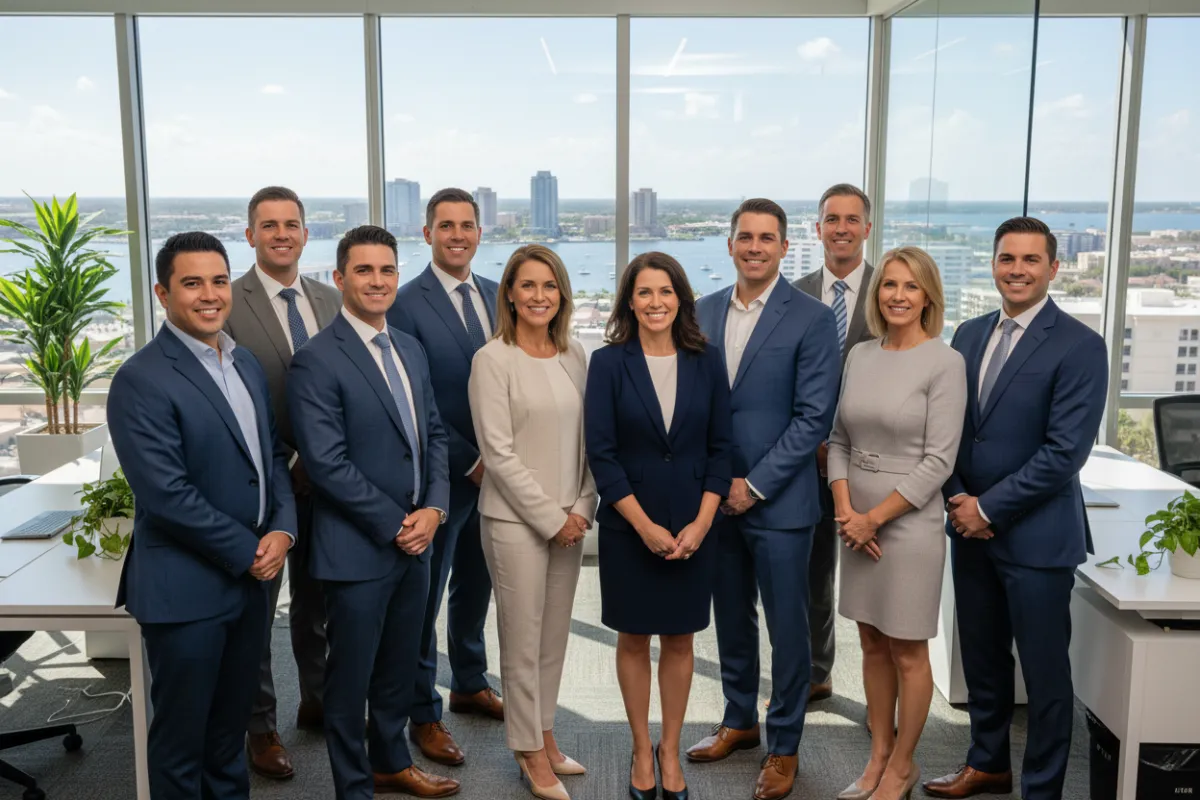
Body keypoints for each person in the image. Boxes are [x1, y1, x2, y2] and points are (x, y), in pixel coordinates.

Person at [108, 232, 297, 800]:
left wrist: (283, 528)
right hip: (185, 592)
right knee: (182, 744)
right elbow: (167, 495)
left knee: (228, 736)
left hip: (249, 587)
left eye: (218, 281)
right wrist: (249, 551)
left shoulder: (242, 364)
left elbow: (272, 458)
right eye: (192, 283)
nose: (210, 295)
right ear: (164, 293)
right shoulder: (141, 379)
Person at [924, 217, 1107, 800]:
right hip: (969, 530)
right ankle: (987, 763)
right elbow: (948, 431)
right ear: (994, 265)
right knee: (982, 660)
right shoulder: (969, 335)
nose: (1018, 270)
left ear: (1054, 268)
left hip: (1036, 538)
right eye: (1008, 259)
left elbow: (1064, 453)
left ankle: (1043, 789)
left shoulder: (1081, 345)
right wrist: (958, 498)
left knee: (1047, 675)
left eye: (1031, 260)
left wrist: (989, 508)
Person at [287, 225, 458, 800]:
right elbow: (327, 463)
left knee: (398, 669)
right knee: (350, 679)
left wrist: (434, 508)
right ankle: (353, 786)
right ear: (340, 280)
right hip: (358, 548)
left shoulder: (408, 346)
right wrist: (396, 525)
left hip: (417, 541)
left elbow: (432, 435)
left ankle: (392, 765)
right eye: (364, 270)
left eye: (387, 270)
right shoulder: (316, 360)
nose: (378, 281)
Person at [688, 199, 841, 800]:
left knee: (788, 628)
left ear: (784, 247)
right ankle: (738, 720)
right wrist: (716, 485)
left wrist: (753, 485)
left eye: (766, 238)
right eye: (744, 237)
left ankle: (784, 747)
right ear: (730, 244)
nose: (755, 247)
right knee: (731, 617)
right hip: (714, 500)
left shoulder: (810, 317)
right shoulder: (700, 311)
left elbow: (812, 418)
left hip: (778, 502)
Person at [585, 252, 733, 800]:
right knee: (633, 637)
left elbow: (722, 450)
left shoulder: (706, 360)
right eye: (644, 293)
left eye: (665, 292)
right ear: (629, 301)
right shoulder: (607, 364)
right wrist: (644, 525)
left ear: (681, 299)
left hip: (695, 527)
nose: (655, 303)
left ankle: (669, 749)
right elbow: (601, 455)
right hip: (631, 527)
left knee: (679, 638)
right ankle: (637, 744)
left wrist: (701, 522)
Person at [826, 247, 967, 800]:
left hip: (907, 524)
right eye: (888, 285)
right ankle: (877, 755)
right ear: (876, 293)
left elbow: (940, 461)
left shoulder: (944, 361)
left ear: (928, 295)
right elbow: (838, 439)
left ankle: (903, 765)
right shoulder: (860, 354)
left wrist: (873, 520)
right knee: (869, 641)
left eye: (910, 286)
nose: (898, 295)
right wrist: (846, 511)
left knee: (908, 647)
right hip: (853, 517)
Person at [468, 245, 597, 800]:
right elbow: (497, 455)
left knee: (551, 638)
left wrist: (582, 508)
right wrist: (551, 518)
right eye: (528, 286)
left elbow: (593, 444)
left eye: (549, 285)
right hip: (515, 522)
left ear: (561, 293)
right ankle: (526, 751)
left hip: (571, 516)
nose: (539, 295)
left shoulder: (575, 356)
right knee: (520, 640)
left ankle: (544, 734)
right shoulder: (492, 360)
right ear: (511, 295)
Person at [224, 186, 342, 779]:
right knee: (259, 611)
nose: (281, 233)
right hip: (264, 487)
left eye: (291, 224)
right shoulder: (230, 301)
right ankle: (260, 727)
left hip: (329, 483)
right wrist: (289, 461)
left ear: (304, 232)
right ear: (250, 235)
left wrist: (324, 461)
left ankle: (319, 700)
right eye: (268, 225)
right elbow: (231, 398)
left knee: (319, 602)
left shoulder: (329, 296)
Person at [389, 188, 503, 769]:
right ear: (427, 234)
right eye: (446, 226)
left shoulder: (495, 294)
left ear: (479, 233)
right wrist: (471, 461)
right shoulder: (405, 304)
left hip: (498, 477)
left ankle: (470, 679)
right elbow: (420, 401)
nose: (457, 235)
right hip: (442, 478)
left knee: (476, 584)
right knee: (423, 600)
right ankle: (423, 712)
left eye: (467, 225)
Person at [792, 182, 877, 704]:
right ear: (818, 228)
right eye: (831, 219)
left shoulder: (891, 289)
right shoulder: (794, 293)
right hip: (805, 462)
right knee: (811, 572)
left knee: (874, 580)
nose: (841, 228)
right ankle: (815, 671)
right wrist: (814, 445)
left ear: (867, 228)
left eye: (851, 220)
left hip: (873, 463)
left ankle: (883, 698)